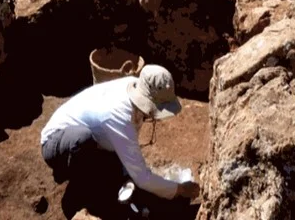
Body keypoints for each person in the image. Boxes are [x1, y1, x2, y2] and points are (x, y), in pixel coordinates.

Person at [40, 64, 200, 205]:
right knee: (83, 140)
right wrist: (178, 189)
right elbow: (142, 178)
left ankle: (89, 166)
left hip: (85, 133)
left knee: (115, 166)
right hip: (54, 142)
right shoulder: (119, 117)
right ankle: (80, 186)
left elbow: (129, 145)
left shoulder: (133, 86)